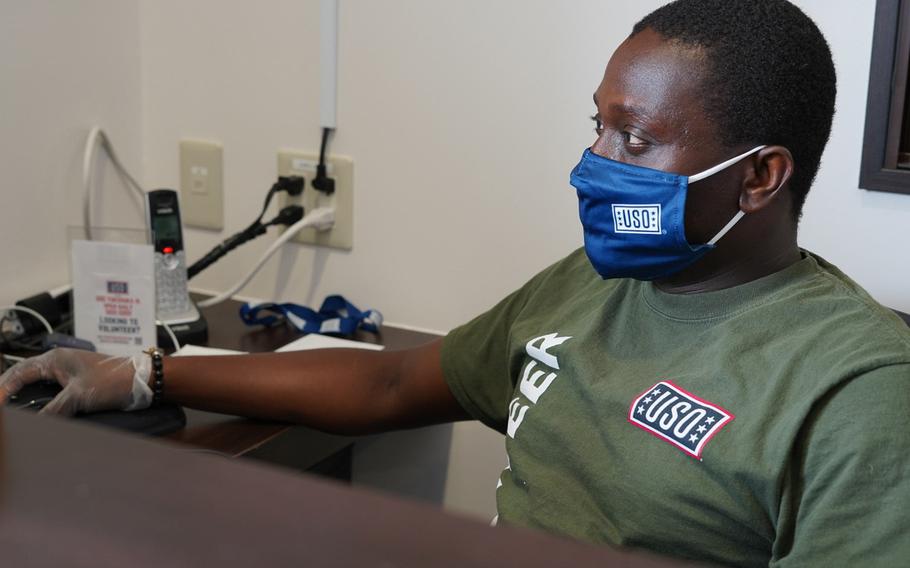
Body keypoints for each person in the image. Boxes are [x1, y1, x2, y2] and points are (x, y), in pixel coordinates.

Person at [2, 0, 909, 565]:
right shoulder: (589, 286)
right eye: (597, 128)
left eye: (635, 140)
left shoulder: (860, 388)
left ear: (760, 176)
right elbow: (394, 380)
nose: (594, 166)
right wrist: (147, 373)